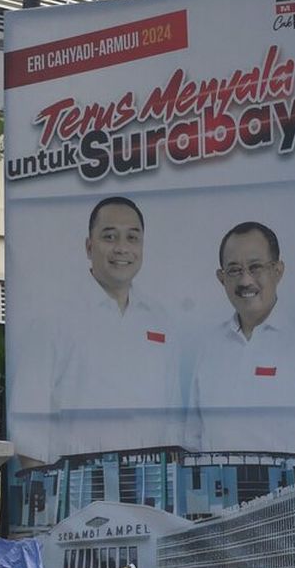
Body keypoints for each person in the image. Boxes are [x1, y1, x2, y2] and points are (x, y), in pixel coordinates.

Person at [11, 195, 185, 462]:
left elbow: (172, 422)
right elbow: (29, 425)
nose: (122, 248)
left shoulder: (160, 321)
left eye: (132, 238)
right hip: (76, 491)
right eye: (110, 237)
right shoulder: (53, 319)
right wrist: (44, 498)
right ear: (89, 247)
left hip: (148, 488)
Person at [188, 220, 295, 472]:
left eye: (255, 267)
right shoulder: (208, 347)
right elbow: (193, 440)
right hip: (219, 507)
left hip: (290, 506)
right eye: (234, 270)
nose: (245, 280)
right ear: (221, 278)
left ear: (278, 270)